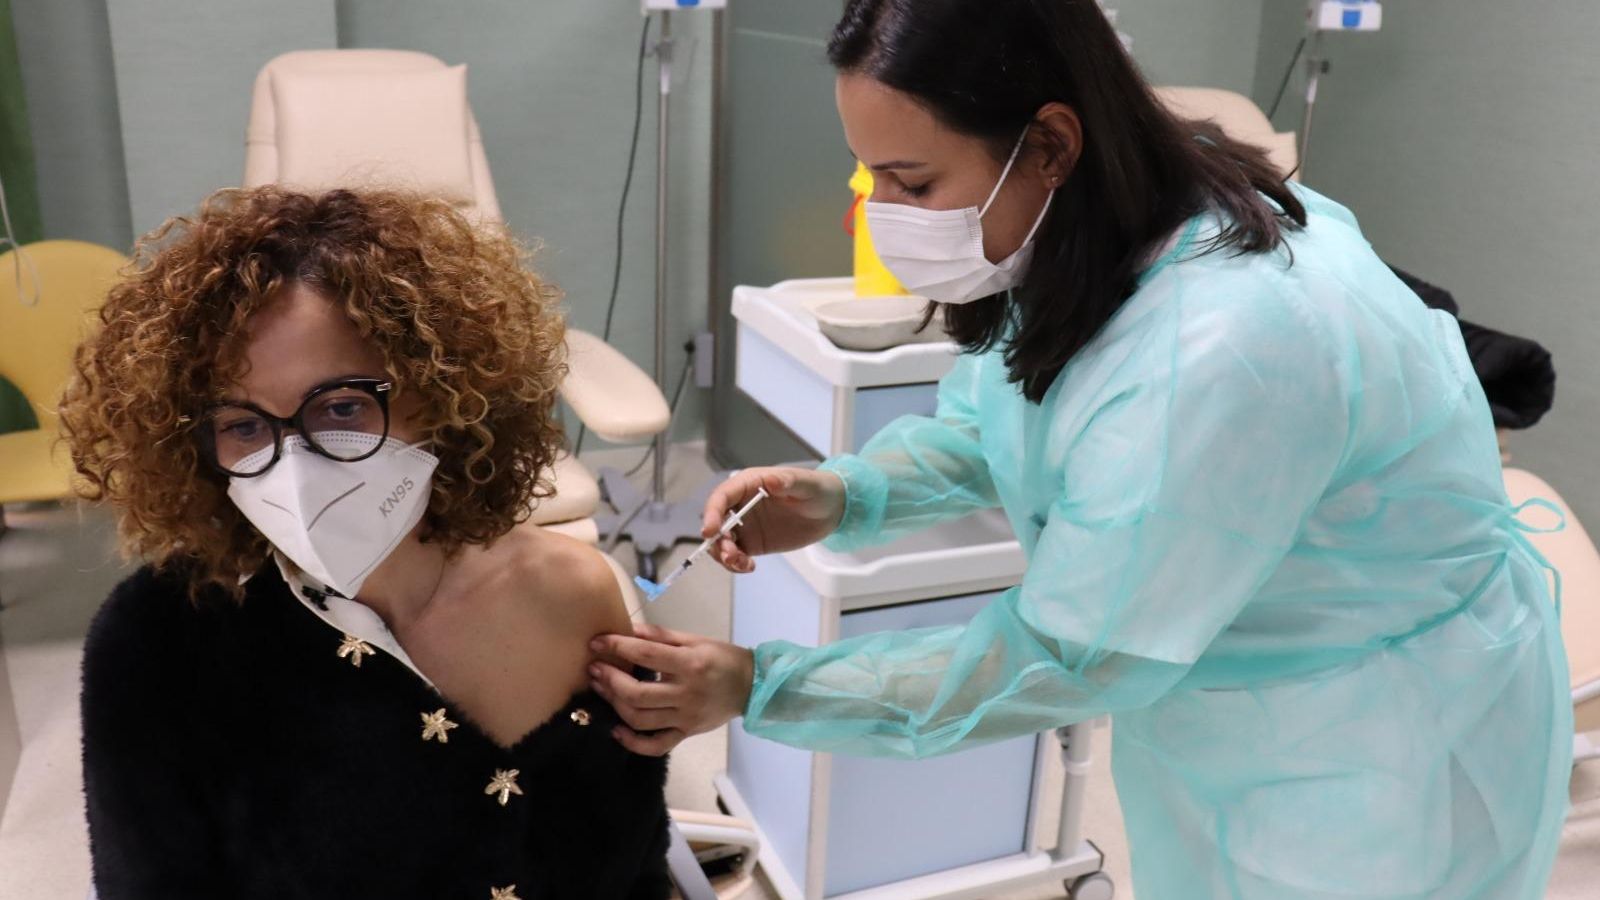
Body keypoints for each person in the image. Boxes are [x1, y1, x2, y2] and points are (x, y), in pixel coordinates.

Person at [587, 1, 1574, 897]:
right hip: (1241, 707)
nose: (878, 210)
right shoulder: (1098, 224)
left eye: (911, 180)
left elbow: (1070, 653)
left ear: (1050, 141)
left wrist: (764, 684)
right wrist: (846, 493)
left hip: (1375, 757)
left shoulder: (1224, 344)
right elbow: (1007, 417)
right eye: (870, 174)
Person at [63, 187, 671, 899]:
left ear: (444, 390)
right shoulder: (160, 641)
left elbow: (632, 864)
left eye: (342, 407)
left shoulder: (574, 593)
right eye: (244, 425)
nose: (294, 466)